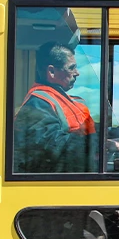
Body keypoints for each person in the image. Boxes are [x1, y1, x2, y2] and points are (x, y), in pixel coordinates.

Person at [14, 42, 100, 173]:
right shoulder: (37, 104)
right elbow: (57, 149)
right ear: (52, 71)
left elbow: (87, 131)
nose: (77, 73)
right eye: (72, 68)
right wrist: (101, 144)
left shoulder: (66, 100)